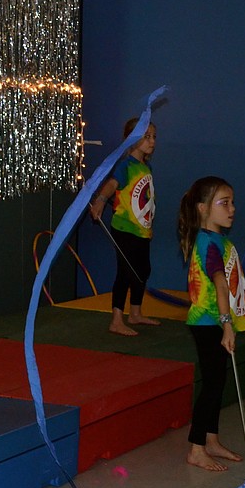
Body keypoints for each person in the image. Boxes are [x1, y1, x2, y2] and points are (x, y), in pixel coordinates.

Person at [178, 176, 245, 471]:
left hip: (215, 322)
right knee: (212, 384)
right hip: (208, 322)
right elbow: (220, 286)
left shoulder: (219, 240)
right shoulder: (208, 243)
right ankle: (196, 448)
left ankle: (211, 439)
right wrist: (226, 324)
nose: (232, 209)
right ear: (203, 208)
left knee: (217, 382)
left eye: (232, 203)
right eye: (224, 203)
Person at [89, 118, 160, 336]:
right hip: (124, 228)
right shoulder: (126, 165)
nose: (152, 142)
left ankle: (135, 313)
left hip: (140, 229)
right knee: (126, 272)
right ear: (133, 139)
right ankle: (116, 320)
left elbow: (145, 200)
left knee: (143, 270)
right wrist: (101, 199)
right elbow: (112, 184)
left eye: (154, 137)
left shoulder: (145, 167)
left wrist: (148, 224)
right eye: (146, 137)